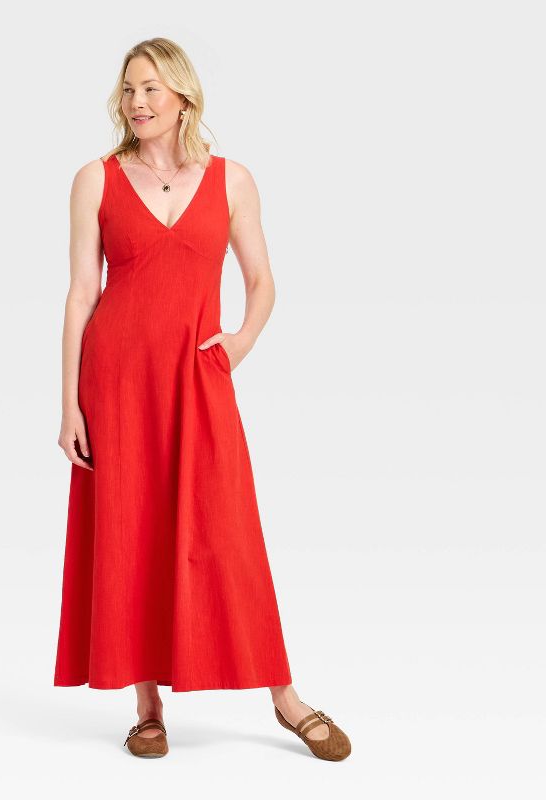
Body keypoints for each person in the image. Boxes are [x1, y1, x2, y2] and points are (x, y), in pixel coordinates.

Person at [54, 38, 351, 762]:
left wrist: (240, 342)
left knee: (229, 533)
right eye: (129, 89)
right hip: (117, 380)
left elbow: (262, 281)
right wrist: (69, 408)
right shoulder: (95, 179)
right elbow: (82, 293)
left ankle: (285, 697)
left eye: (151, 88)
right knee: (131, 530)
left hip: (197, 378)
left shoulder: (232, 179)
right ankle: (147, 708)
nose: (138, 102)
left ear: (183, 95)